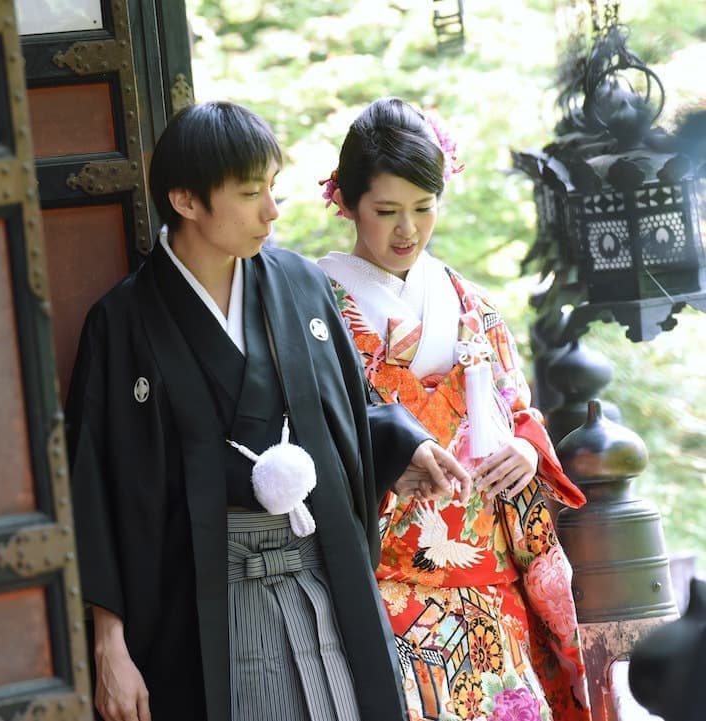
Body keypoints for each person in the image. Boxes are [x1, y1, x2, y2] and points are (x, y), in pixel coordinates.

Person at [65, 100, 472, 721]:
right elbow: (96, 488)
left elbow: (345, 412)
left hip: (320, 573)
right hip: (204, 595)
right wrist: (109, 644)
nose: (272, 212)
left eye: (273, 188)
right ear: (186, 200)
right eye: (251, 193)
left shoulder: (300, 286)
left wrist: (400, 444)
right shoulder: (121, 324)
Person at [316, 96, 593, 721]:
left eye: (423, 208)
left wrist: (524, 447)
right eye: (386, 211)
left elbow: (519, 411)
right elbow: (308, 434)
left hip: (491, 593)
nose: (406, 230)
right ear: (346, 201)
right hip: (383, 593)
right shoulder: (314, 306)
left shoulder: (473, 304)